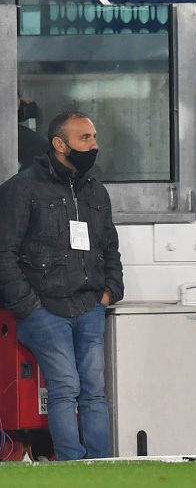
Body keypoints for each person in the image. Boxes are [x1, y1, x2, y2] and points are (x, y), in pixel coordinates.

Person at [0, 110, 123, 460]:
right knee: (65, 388)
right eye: (85, 138)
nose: (94, 145)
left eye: (94, 137)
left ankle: (102, 467)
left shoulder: (97, 192)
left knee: (94, 392)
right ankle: (71, 466)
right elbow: (4, 253)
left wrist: (109, 293)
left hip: (89, 307)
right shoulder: (22, 188)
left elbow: (109, 248)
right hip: (44, 311)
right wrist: (30, 308)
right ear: (59, 144)